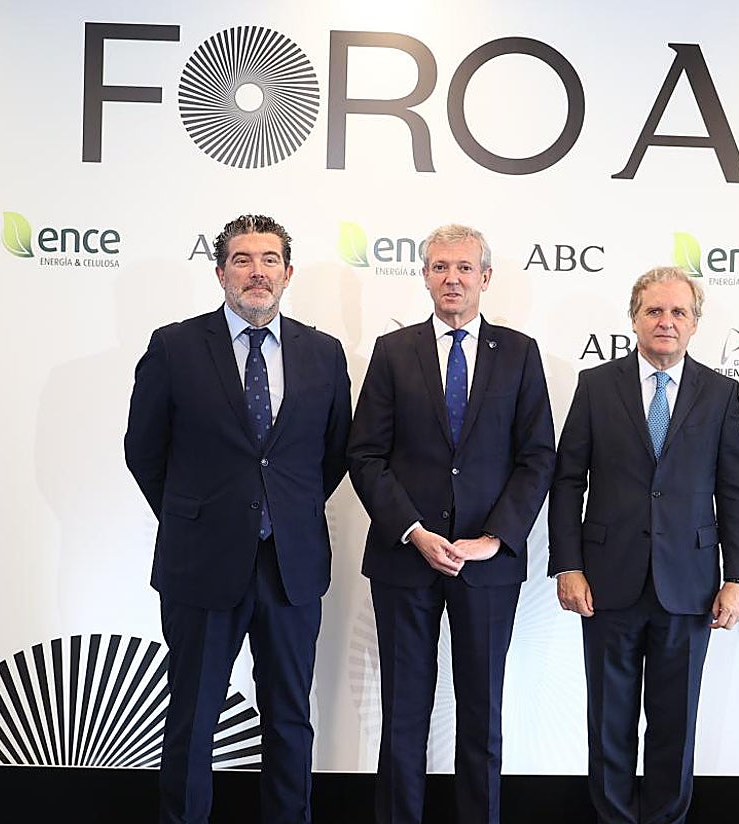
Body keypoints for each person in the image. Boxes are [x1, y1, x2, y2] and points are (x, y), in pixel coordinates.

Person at [124, 214, 352, 824]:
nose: (257, 272)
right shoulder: (174, 346)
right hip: (200, 567)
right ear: (221, 270)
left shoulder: (324, 354)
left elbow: (331, 455)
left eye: (269, 259)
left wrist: (280, 511)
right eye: (243, 260)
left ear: (288, 272)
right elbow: (143, 450)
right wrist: (195, 517)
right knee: (193, 716)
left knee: (290, 718)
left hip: (291, 566)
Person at [347, 224, 556, 824]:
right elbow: (365, 455)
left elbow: (538, 454)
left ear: (485, 277)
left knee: (481, 713)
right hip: (404, 559)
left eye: (464, 268)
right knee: (404, 712)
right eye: (440, 267)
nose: (452, 278)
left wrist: (493, 539)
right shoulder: (394, 352)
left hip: (487, 568)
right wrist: (413, 530)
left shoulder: (519, 353)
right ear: (424, 276)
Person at [548, 266, 739, 824]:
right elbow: (568, 480)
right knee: (609, 722)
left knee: (675, 724)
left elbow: (734, 489)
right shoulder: (597, 385)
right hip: (607, 583)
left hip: (689, 587)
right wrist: (567, 564)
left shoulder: (719, 393)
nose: (666, 322)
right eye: (654, 311)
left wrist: (738, 578)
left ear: (694, 324)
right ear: (634, 318)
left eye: (678, 312)